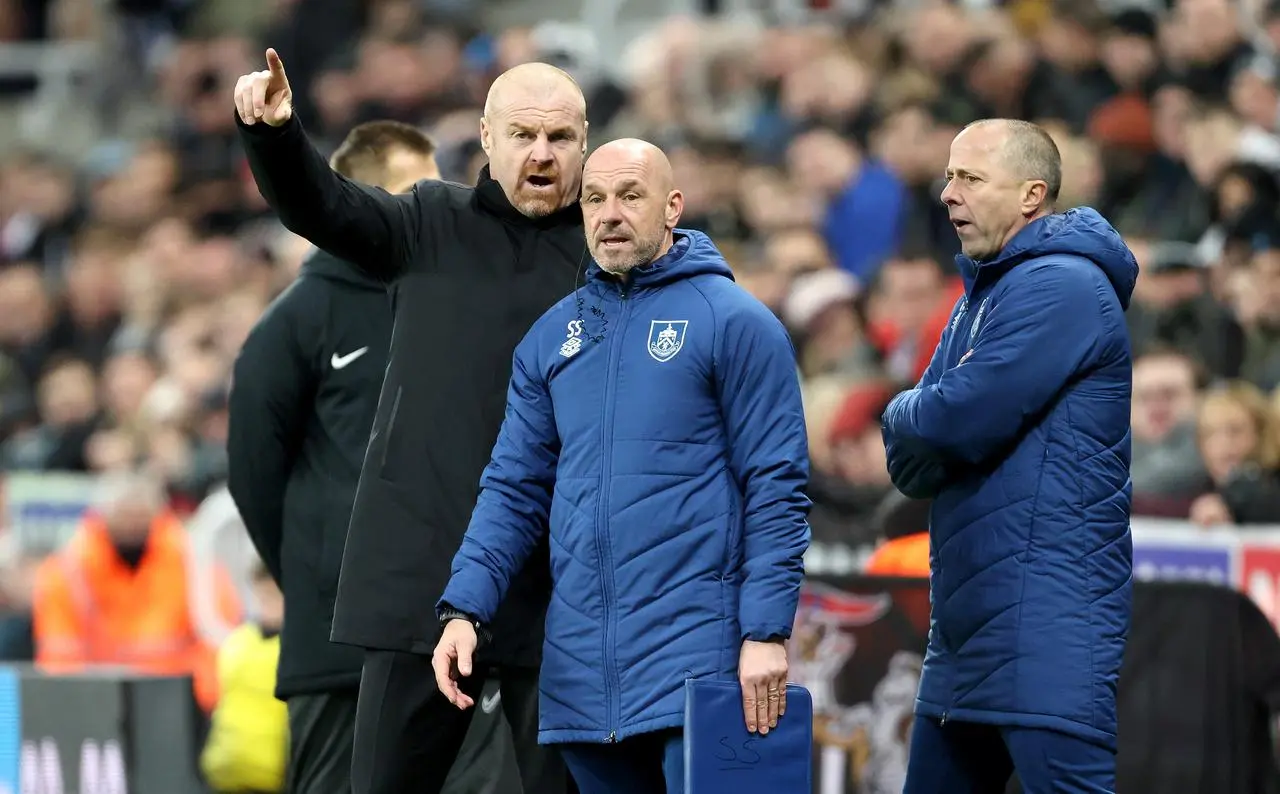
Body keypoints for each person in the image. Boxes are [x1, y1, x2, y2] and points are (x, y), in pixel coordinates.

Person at [232, 50, 584, 794]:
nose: (542, 154)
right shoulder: (430, 221)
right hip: (422, 580)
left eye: (560, 138)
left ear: (585, 143)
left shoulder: (608, 251)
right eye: (523, 135)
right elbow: (322, 205)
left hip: (557, 591)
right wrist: (274, 134)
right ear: (486, 139)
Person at [429, 138, 812, 794]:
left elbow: (777, 486)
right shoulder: (553, 338)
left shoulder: (736, 323)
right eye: (595, 199)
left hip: (704, 661)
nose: (609, 213)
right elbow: (514, 487)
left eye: (630, 196)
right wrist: (465, 607)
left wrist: (766, 632)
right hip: (583, 677)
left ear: (672, 208)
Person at [881, 119, 1136, 794]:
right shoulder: (983, 294)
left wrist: (900, 411)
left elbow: (948, 421)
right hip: (967, 630)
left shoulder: (1064, 286)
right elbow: (910, 462)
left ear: (1031, 195)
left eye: (969, 178)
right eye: (947, 176)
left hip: (1044, 624)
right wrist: (920, 423)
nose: (947, 194)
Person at [226, 120, 439, 793]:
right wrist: (322, 578)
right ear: (361, 199)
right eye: (417, 195)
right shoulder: (295, 321)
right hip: (336, 650)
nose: (436, 212)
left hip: (442, 640)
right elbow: (253, 475)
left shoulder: (447, 308)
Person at [200, 561, 288, 794]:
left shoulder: (295, 651)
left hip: (275, 777)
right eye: (264, 595)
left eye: (276, 596)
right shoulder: (238, 641)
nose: (270, 605)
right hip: (226, 771)